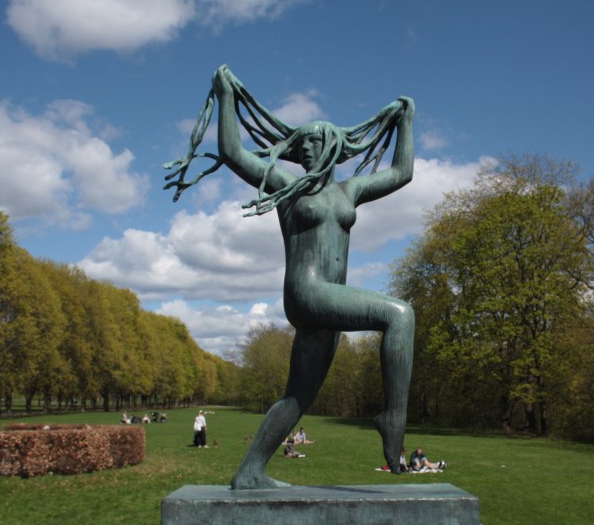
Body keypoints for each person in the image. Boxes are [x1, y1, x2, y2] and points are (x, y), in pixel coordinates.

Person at [166, 65, 415, 489]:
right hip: (307, 293)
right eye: (305, 144)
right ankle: (392, 418)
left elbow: (401, 173)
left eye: (319, 142)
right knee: (400, 315)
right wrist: (226, 96)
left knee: (297, 397)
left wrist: (406, 122)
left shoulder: (348, 192)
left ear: (335, 147)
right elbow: (234, 153)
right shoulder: (288, 185)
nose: (310, 150)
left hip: (328, 307)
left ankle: (249, 472)